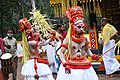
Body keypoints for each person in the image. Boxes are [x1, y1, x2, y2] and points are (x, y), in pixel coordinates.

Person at [56, 6, 99, 80]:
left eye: (83, 27)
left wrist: (92, 56)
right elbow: (61, 53)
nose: (82, 29)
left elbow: (87, 50)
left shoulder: (84, 39)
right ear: (73, 26)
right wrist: (65, 63)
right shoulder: (68, 39)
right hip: (71, 65)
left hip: (84, 65)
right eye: (79, 27)